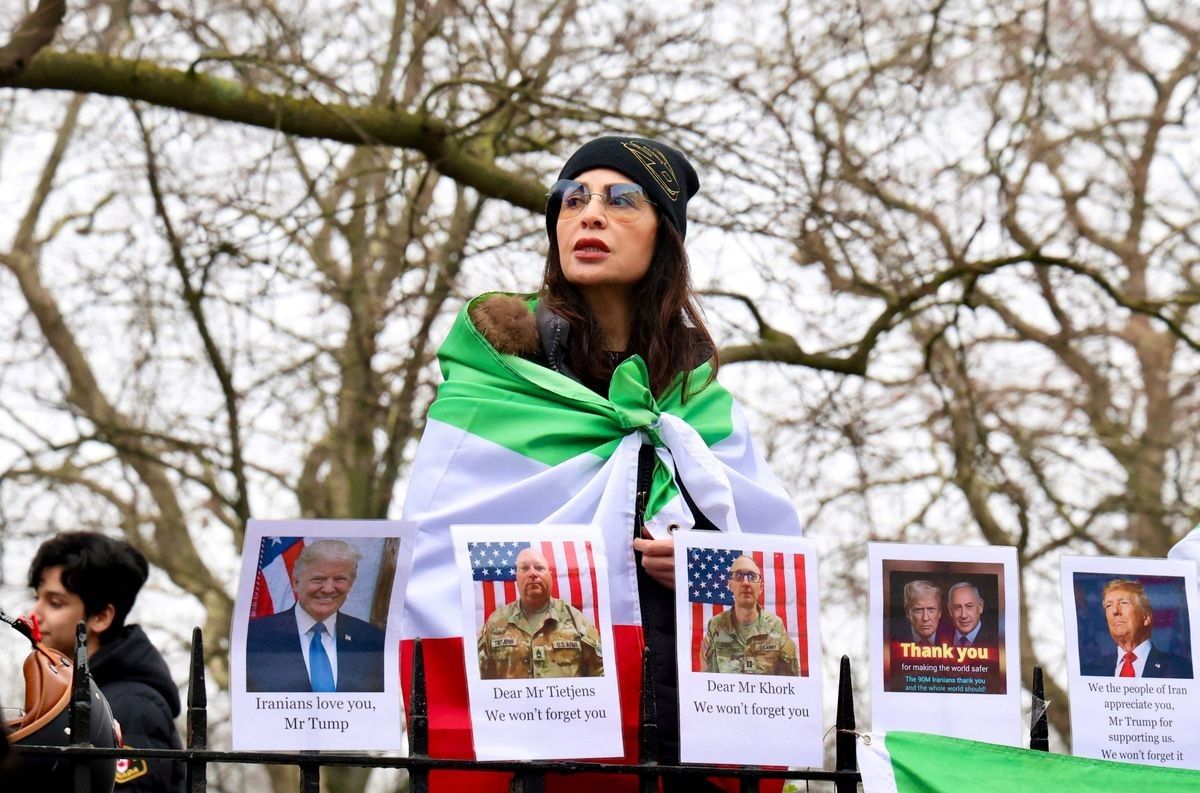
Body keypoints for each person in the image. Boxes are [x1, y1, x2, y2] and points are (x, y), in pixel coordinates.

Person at [401, 135, 803, 791]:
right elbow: (434, 555)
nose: (590, 215)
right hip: (534, 741)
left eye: (621, 200)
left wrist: (706, 562)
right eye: (572, 199)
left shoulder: (700, 401)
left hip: (678, 740)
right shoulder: (495, 384)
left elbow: (770, 563)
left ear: (664, 238)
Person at [28, 531, 183, 792]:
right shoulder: (79, 695)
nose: (34, 614)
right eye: (36, 597)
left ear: (101, 617)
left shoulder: (129, 706)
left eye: (55, 603)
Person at [246, 539, 386, 692]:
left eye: (339, 579)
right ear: (296, 582)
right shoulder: (254, 638)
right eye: (318, 579)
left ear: (350, 584)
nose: (328, 589)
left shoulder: (374, 641)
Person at [477, 548, 603, 679]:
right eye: (525, 569)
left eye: (539, 568)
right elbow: (479, 678)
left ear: (550, 576)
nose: (532, 573)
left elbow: (600, 674)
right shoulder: (496, 623)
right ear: (516, 578)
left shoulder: (576, 620)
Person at [700, 556, 799, 675]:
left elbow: (790, 684)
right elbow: (707, 684)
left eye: (752, 577)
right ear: (730, 585)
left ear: (761, 587)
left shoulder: (775, 627)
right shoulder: (716, 626)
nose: (746, 583)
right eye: (738, 576)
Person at [1080, 579, 1192, 679]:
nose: (1115, 611)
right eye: (1109, 605)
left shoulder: (1180, 669)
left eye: (1124, 603)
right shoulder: (1090, 672)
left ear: (1146, 617)